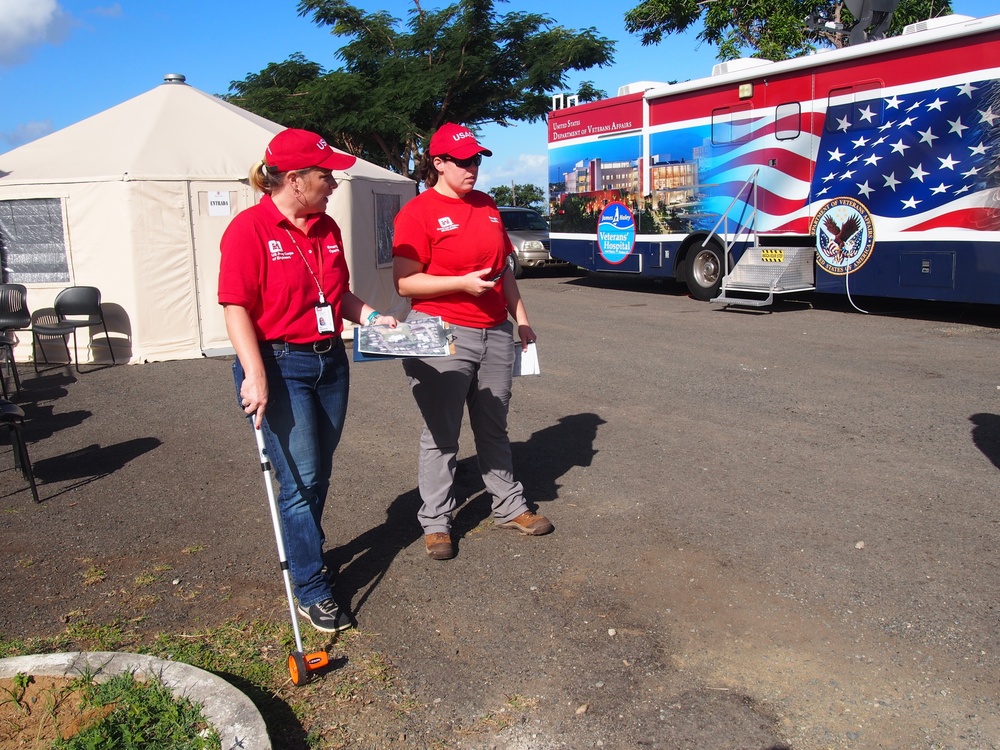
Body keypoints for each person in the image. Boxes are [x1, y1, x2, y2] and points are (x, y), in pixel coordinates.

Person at [218, 128, 397, 631]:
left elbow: (337, 297)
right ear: (295, 180)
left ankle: (306, 552)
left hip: (329, 362)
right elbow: (236, 308)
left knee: (317, 472)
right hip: (279, 365)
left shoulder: (326, 229)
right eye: (326, 176)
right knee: (300, 481)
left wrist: (374, 318)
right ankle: (311, 585)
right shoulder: (249, 229)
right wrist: (254, 375)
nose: (335, 183)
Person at [392, 123, 553, 561]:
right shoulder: (417, 213)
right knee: (441, 434)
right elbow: (405, 283)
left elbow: (504, 273)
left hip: (495, 331)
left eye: (477, 160)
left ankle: (508, 506)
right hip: (440, 333)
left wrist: (521, 321)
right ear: (438, 163)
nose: (472, 168)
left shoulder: (487, 207)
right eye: (463, 161)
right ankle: (436, 523)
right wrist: (461, 283)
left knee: (493, 424)